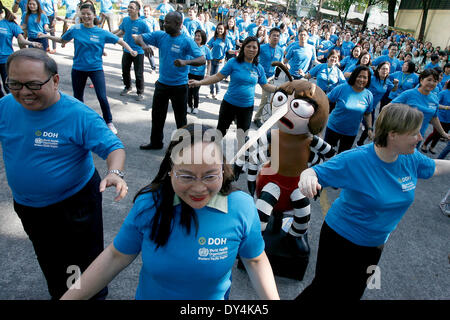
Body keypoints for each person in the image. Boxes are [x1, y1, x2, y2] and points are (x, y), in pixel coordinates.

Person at [60, 123, 280, 300]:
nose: (199, 188)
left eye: (210, 175)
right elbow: (116, 256)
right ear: (170, 171)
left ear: (223, 170)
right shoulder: (149, 205)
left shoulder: (241, 207)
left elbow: (255, 260)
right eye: (186, 176)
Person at [0, 48, 127, 300]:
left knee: (82, 265)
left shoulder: (77, 115)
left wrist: (114, 172)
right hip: (28, 206)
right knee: (49, 258)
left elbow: (114, 147)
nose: (24, 92)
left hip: (74, 205)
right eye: (14, 84)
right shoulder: (5, 106)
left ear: (55, 80)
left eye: (34, 84)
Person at [296, 103, 450, 300]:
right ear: (393, 134)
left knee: (353, 291)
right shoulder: (357, 159)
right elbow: (314, 172)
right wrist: (307, 176)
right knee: (324, 290)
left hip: (375, 244)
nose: (420, 137)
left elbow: (434, 166)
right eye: (415, 133)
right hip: (341, 239)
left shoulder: (411, 158)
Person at [39, 2, 138, 135]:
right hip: (78, 68)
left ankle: (108, 121)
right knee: (78, 97)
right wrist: (46, 36)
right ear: (80, 14)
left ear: (94, 15)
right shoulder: (75, 29)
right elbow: (62, 40)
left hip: (95, 68)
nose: (86, 16)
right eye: (83, 14)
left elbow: (120, 41)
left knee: (102, 97)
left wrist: (131, 50)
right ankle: (79, 121)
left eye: (88, 14)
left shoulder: (101, 32)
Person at [134, 11, 205, 150]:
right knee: (157, 116)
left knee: (181, 120)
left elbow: (202, 59)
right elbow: (138, 37)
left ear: (178, 24)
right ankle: (156, 142)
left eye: (167, 22)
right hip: (162, 85)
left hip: (179, 87)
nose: (164, 24)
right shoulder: (161, 35)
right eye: (164, 21)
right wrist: (144, 46)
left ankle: (185, 147)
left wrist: (185, 62)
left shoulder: (186, 40)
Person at [189, 36, 277, 138]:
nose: (251, 49)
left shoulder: (258, 68)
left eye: (254, 47)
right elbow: (218, 77)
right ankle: (213, 152)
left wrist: (279, 89)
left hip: (246, 108)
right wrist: (199, 82)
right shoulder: (233, 62)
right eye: (248, 46)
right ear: (243, 48)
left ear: (258, 50)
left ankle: (241, 154)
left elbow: (265, 86)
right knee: (219, 134)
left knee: (242, 137)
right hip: (229, 105)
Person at [391, 69, 450, 143]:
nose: (432, 83)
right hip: (401, 133)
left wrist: (443, 133)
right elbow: (389, 108)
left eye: (435, 81)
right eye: (429, 80)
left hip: (418, 137)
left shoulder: (435, 99)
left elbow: (434, 117)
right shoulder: (409, 94)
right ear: (421, 80)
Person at [325, 66, 374, 153]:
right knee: (325, 153)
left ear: (368, 79)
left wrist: (369, 128)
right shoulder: (342, 88)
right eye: (359, 76)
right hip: (333, 128)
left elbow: (368, 113)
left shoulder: (368, 95)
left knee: (341, 158)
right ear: (354, 76)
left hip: (351, 133)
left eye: (365, 77)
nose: (361, 80)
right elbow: (326, 99)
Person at [0, 1, 42, 98]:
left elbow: (21, 40)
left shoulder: (10, 24)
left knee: (9, 87)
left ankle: (14, 107)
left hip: (5, 60)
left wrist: (31, 43)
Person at [114, 1, 150, 102]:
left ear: (138, 10)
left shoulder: (143, 23)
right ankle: (128, 87)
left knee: (138, 73)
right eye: (128, 7)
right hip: (126, 50)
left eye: (131, 8)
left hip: (138, 52)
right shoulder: (125, 20)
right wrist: (111, 36)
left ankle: (140, 92)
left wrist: (144, 45)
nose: (129, 9)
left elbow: (149, 36)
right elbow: (121, 31)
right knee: (125, 70)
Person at [357, 61, 395, 146]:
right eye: (383, 69)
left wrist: (395, 85)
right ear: (378, 70)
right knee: (351, 123)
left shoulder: (387, 82)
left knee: (369, 128)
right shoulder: (372, 79)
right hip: (360, 105)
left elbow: (393, 90)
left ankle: (359, 143)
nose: (385, 71)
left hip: (371, 108)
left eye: (387, 69)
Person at [252, 27, 284, 128]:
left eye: (277, 36)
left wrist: (285, 66)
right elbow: (253, 58)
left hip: (270, 78)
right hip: (258, 74)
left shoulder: (280, 50)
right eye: (273, 35)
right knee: (247, 95)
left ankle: (257, 118)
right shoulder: (262, 47)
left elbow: (280, 63)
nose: (275, 37)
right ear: (269, 37)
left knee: (266, 99)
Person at [421, 80, 450, 154]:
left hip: (448, 118)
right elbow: (436, 104)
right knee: (436, 133)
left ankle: (432, 146)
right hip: (440, 116)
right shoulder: (444, 93)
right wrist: (446, 107)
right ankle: (424, 145)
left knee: (441, 134)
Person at [187, 29, 211, 114]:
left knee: (195, 92)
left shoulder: (206, 49)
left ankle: (196, 107)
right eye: (196, 35)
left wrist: (208, 73)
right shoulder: (191, 47)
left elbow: (209, 62)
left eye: (199, 36)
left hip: (199, 74)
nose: (197, 37)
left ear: (203, 38)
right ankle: (189, 106)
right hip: (189, 73)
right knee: (189, 91)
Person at [207, 22, 233, 99]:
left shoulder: (226, 40)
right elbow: (209, 47)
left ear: (224, 30)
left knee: (217, 78)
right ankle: (211, 92)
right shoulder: (214, 38)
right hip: (212, 60)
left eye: (221, 29)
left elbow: (229, 51)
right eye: (218, 28)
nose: (219, 30)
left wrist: (236, 51)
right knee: (211, 77)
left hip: (220, 62)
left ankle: (218, 93)